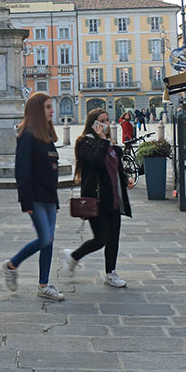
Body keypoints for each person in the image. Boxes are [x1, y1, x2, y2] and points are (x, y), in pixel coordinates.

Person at [1, 93, 64, 301]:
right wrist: (25, 200)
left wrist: (55, 200)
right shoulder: (27, 135)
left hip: (49, 197)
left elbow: (51, 168)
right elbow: (22, 171)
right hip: (36, 197)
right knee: (45, 238)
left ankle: (43, 284)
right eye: (48, 107)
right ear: (37, 110)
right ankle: (12, 265)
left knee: (49, 240)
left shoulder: (45, 135)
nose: (52, 111)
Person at [63, 108, 134, 288]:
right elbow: (93, 163)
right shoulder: (85, 143)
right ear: (93, 123)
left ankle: (111, 273)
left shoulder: (110, 146)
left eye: (108, 120)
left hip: (114, 198)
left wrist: (126, 179)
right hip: (97, 198)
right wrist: (101, 140)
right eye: (101, 121)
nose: (106, 124)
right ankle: (73, 256)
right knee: (101, 238)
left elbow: (116, 170)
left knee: (114, 238)